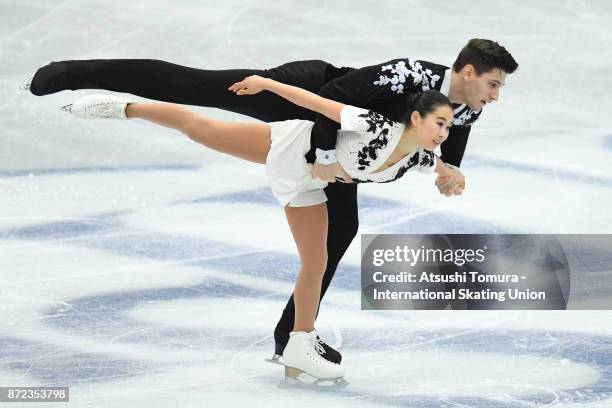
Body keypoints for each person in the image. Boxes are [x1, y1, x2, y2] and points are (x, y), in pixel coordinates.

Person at [21, 38, 519, 364]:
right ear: (468, 70)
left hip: (340, 151)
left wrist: (448, 173)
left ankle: (293, 339)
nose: (495, 96)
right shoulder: (407, 74)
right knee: (197, 86)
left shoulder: (465, 110)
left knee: (335, 240)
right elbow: (337, 97)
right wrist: (324, 158)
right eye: (492, 84)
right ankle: (74, 71)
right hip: (306, 96)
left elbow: (449, 148)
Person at [59, 77, 460, 382]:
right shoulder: (373, 126)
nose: (443, 133)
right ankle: (125, 108)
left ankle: (299, 344)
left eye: (448, 127)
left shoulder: (417, 159)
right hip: (288, 147)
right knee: (199, 129)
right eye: (439, 123)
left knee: (316, 262)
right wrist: (266, 84)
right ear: (416, 117)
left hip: (307, 184)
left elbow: (441, 167)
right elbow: (316, 103)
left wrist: (451, 175)